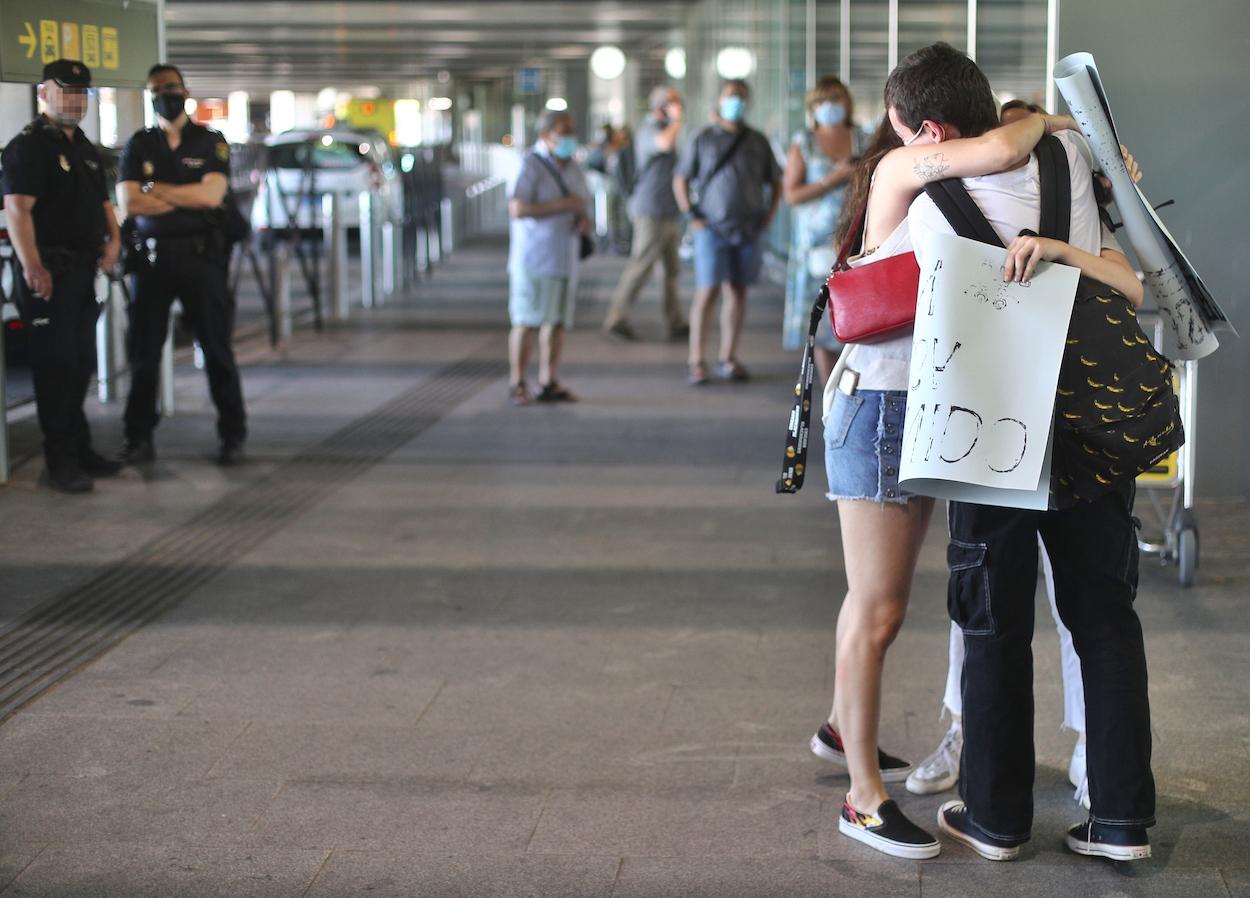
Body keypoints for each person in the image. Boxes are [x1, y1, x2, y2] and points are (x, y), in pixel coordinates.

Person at [891, 42, 1153, 863]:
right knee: (1105, 617)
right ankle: (1119, 822)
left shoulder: (927, 208)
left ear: (930, 130)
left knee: (993, 623)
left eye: (903, 133)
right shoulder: (1067, 153)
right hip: (1089, 421)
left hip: (986, 434)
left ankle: (997, 819)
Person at [808, 94, 1087, 857]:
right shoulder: (904, 168)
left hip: (925, 407)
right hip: (879, 407)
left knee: (877, 601)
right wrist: (1060, 123)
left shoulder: (945, 183)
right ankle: (863, 800)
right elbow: (1001, 151)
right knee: (880, 608)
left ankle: (843, 728)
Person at [1, 60, 123, 493]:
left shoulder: (84, 146)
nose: (73, 99)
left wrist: (113, 239)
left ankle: (80, 447)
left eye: (80, 92)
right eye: (64, 90)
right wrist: (33, 266)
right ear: (44, 94)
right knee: (56, 368)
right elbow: (17, 210)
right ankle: (60, 461)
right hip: (47, 271)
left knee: (80, 364)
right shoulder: (28, 147)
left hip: (80, 271)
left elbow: (103, 201)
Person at [116, 63, 246, 467]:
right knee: (144, 356)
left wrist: (156, 190)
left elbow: (212, 197)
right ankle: (138, 437)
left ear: (185, 90)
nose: (165, 95)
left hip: (201, 258)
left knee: (217, 349)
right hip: (152, 262)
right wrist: (183, 194)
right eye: (157, 90)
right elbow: (131, 203)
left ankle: (232, 435)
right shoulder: (139, 144)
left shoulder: (211, 141)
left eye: (171, 88)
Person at [673, 79, 782, 385]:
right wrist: (691, 215)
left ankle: (728, 356)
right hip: (711, 227)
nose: (737, 101)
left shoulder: (758, 141)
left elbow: (775, 181)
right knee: (707, 291)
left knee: (737, 291)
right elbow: (680, 178)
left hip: (747, 227)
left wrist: (769, 216)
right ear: (719, 100)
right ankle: (697, 360)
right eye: (731, 96)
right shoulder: (703, 138)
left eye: (742, 97)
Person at [506, 109, 592, 405]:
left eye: (572, 131)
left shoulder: (574, 167)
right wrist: (562, 205)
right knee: (526, 320)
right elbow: (517, 209)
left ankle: (549, 380)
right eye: (563, 132)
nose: (569, 137)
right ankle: (517, 382)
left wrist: (582, 217)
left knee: (556, 322)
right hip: (533, 257)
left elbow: (581, 202)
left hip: (564, 256)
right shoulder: (529, 165)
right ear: (545, 136)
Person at [781, 76, 862, 387]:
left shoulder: (862, 138)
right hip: (815, 245)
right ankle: (831, 389)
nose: (830, 107)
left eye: (837, 99)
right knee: (823, 318)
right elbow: (791, 195)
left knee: (855, 312)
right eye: (823, 101)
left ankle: (852, 383)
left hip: (856, 241)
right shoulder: (804, 142)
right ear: (813, 107)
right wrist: (833, 179)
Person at [600, 86, 689, 343]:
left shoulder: (665, 128)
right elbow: (665, 143)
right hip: (651, 210)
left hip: (667, 210)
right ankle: (616, 317)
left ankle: (675, 320)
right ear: (660, 107)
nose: (678, 107)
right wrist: (677, 120)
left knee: (672, 270)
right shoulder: (651, 130)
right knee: (641, 265)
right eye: (672, 103)